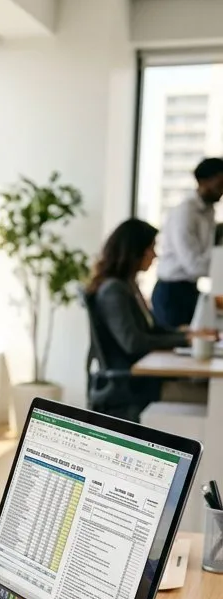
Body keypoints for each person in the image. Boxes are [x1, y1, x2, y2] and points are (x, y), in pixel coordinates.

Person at [85, 218, 215, 418]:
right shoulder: (114, 290)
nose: (155, 255)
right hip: (133, 386)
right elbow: (133, 342)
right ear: (135, 251)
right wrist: (186, 339)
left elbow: (149, 329)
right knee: (212, 396)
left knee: (209, 391)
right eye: (151, 248)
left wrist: (187, 334)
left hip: (142, 381)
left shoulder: (127, 286)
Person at [151, 156, 223, 328]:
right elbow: (194, 265)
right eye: (220, 184)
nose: (222, 190)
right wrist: (217, 264)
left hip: (190, 289)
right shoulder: (185, 213)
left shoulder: (208, 212)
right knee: (177, 342)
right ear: (203, 181)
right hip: (171, 292)